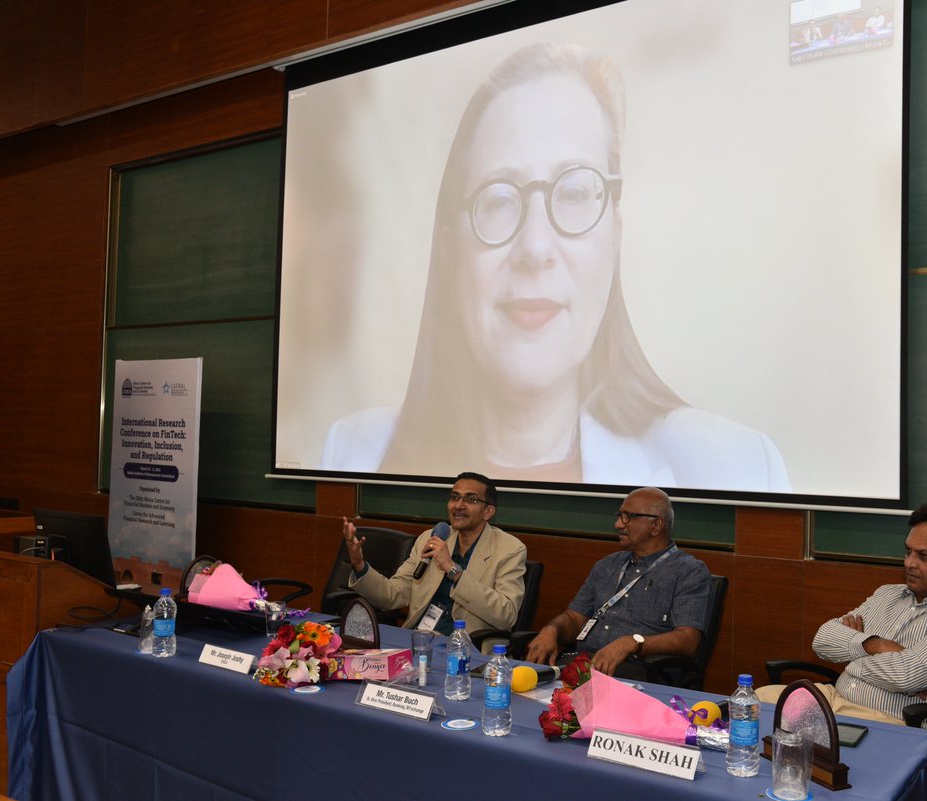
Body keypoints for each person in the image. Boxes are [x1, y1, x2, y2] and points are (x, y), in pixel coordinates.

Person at [322, 42, 789, 492]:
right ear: (448, 248)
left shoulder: (736, 468)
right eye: (500, 199)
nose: (536, 247)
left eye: (573, 194)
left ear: (615, 236)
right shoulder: (350, 453)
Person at [757, 504, 927, 733]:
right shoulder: (888, 594)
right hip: (833, 701)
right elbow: (823, 640)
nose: (909, 563)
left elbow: (907, 676)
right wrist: (876, 645)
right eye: (908, 551)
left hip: (894, 723)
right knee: (751, 706)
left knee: (794, 743)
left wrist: (852, 652)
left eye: (924, 556)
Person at [525, 486, 709, 678]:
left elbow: (688, 641)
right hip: (584, 663)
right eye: (620, 515)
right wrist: (552, 629)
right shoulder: (608, 564)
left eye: (629, 516)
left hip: (637, 671)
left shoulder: (689, 571)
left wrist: (632, 643)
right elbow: (574, 618)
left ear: (656, 525)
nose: (618, 524)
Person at [341, 472, 525, 635]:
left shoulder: (509, 550)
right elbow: (393, 595)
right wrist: (359, 565)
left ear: (488, 511)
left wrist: (453, 570)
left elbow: (506, 614)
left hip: (467, 649)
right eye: (454, 497)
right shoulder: (430, 538)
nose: (459, 505)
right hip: (420, 638)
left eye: (471, 499)